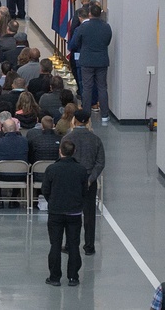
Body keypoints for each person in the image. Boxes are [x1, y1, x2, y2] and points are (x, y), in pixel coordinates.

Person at [41, 138, 88, 287]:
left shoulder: (52, 169)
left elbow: (45, 190)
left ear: (60, 151)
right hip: (74, 212)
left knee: (55, 244)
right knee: (74, 244)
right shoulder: (81, 170)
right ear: (74, 152)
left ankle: (54, 277)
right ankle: (73, 277)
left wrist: (53, 202)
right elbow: (84, 191)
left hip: (56, 212)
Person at [62, 109, 105, 256]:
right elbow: (100, 162)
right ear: (88, 121)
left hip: (71, 181)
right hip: (89, 181)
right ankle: (89, 246)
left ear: (74, 120)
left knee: (70, 213)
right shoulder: (95, 139)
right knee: (89, 215)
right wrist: (91, 178)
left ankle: (69, 244)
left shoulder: (67, 138)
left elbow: (63, 160)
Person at [67, 2, 112, 124]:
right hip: (102, 60)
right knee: (102, 87)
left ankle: (86, 115)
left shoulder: (83, 27)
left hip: (86, 61)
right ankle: (104, 115)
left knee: (87, 88)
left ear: (90, 14)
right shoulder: (106, 27)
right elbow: (107, 41)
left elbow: (76, 43)